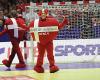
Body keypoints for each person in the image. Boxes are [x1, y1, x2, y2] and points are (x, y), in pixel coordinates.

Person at [29, 9, 68, 73]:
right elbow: (29, 29)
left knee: (50, 54)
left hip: (48, 42)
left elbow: (58, 27)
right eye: (42, 14)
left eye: (44, 14)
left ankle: (52, 66)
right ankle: (38, 66)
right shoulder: (35, 23)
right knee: (40, 55)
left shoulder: (52, 22)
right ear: (40, 15)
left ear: (46, 14)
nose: (43, 15)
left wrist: (64, 22)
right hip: (40, 42)